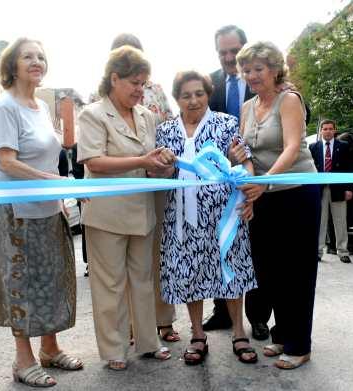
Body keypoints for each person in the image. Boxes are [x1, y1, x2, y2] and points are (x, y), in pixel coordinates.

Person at [0, 38, 83, 388]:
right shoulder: (4, 106)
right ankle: (22, 359)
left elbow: (50, 154)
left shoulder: (40, 107)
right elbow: (7, 162)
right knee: (21, 285)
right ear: (12, 65)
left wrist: (59, 192)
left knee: (51, 280)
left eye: (41, 56)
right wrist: (55, 181)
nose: (37, 61)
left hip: (48, 209)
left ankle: (50, 348)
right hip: (16, 212)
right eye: (28, 56)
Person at [77, 45, 173, 371]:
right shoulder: (91, 114)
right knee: (110, 285)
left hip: (142, 212)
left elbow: (148, 163)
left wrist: (161, 164)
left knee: (143, 280)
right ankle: (114, 349)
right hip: (107, 214)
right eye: (134, 82)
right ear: (114, 78)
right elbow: (94, 161)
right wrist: (144, 160)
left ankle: (148, 342)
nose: (139, 89)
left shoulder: (146, 115)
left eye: (143, 83)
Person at [157, 70, 258, 365]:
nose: (193, 100)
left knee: (231, 273)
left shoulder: (226, 124)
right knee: (191, 273)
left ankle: (239, 333)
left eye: (199, 94)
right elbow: (158, 172)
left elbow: (246, 162)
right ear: (177, 98)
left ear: (208, 95)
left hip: (224, 216)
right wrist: (161, 167)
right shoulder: (164, 132)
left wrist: (249, 196)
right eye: (186, 95)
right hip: (181, 219)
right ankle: (198, 335)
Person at [235, 41, 321, 369]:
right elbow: (247, 152)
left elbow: (293, 146)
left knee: (297, 271)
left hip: (297, 192)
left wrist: (266, 180)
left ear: (274, 70)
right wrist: (243, 168)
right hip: (262, 195)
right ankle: (282, 335)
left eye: (258, 68)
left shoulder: (289, 100)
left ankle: (300, 345)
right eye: (247, 69)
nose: (251, 75)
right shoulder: (246, 107)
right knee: (271, 272)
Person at [110, 33, 179, 343]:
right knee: (126, 262)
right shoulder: (104, 95)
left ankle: (164, 321)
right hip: (122, 188)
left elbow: (170, 129)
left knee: (158, 255)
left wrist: (166, 163)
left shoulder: (157, 91)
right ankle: (132, 326)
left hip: (156, 183)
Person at [205, 25, 269, 342]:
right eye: (223, 52)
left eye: (234, 51)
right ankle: (222, 312)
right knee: (224, 245)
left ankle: (258, 318)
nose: (229, 58)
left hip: (258, 179)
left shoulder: (263, 78)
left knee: (257, 251)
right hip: (219, 183)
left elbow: (299, 110)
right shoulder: (210, 83)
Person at [309, 120, 353, 263]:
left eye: (330, 129)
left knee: (340, 221)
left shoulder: (344, 147)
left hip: (338, 189)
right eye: (325, 129)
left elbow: (349, 169)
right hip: (319, 190)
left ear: (335, 130)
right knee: (319, 222)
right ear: (321, 131)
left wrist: (349, 188)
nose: (327, 131)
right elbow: (309, 170)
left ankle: (343, 251)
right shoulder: (313, 147)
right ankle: (318, 251)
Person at [71, 143, 88, 276]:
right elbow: (78, 175)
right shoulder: (77, 147)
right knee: (86, 231)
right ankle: (88, 262)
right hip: (85, 196)